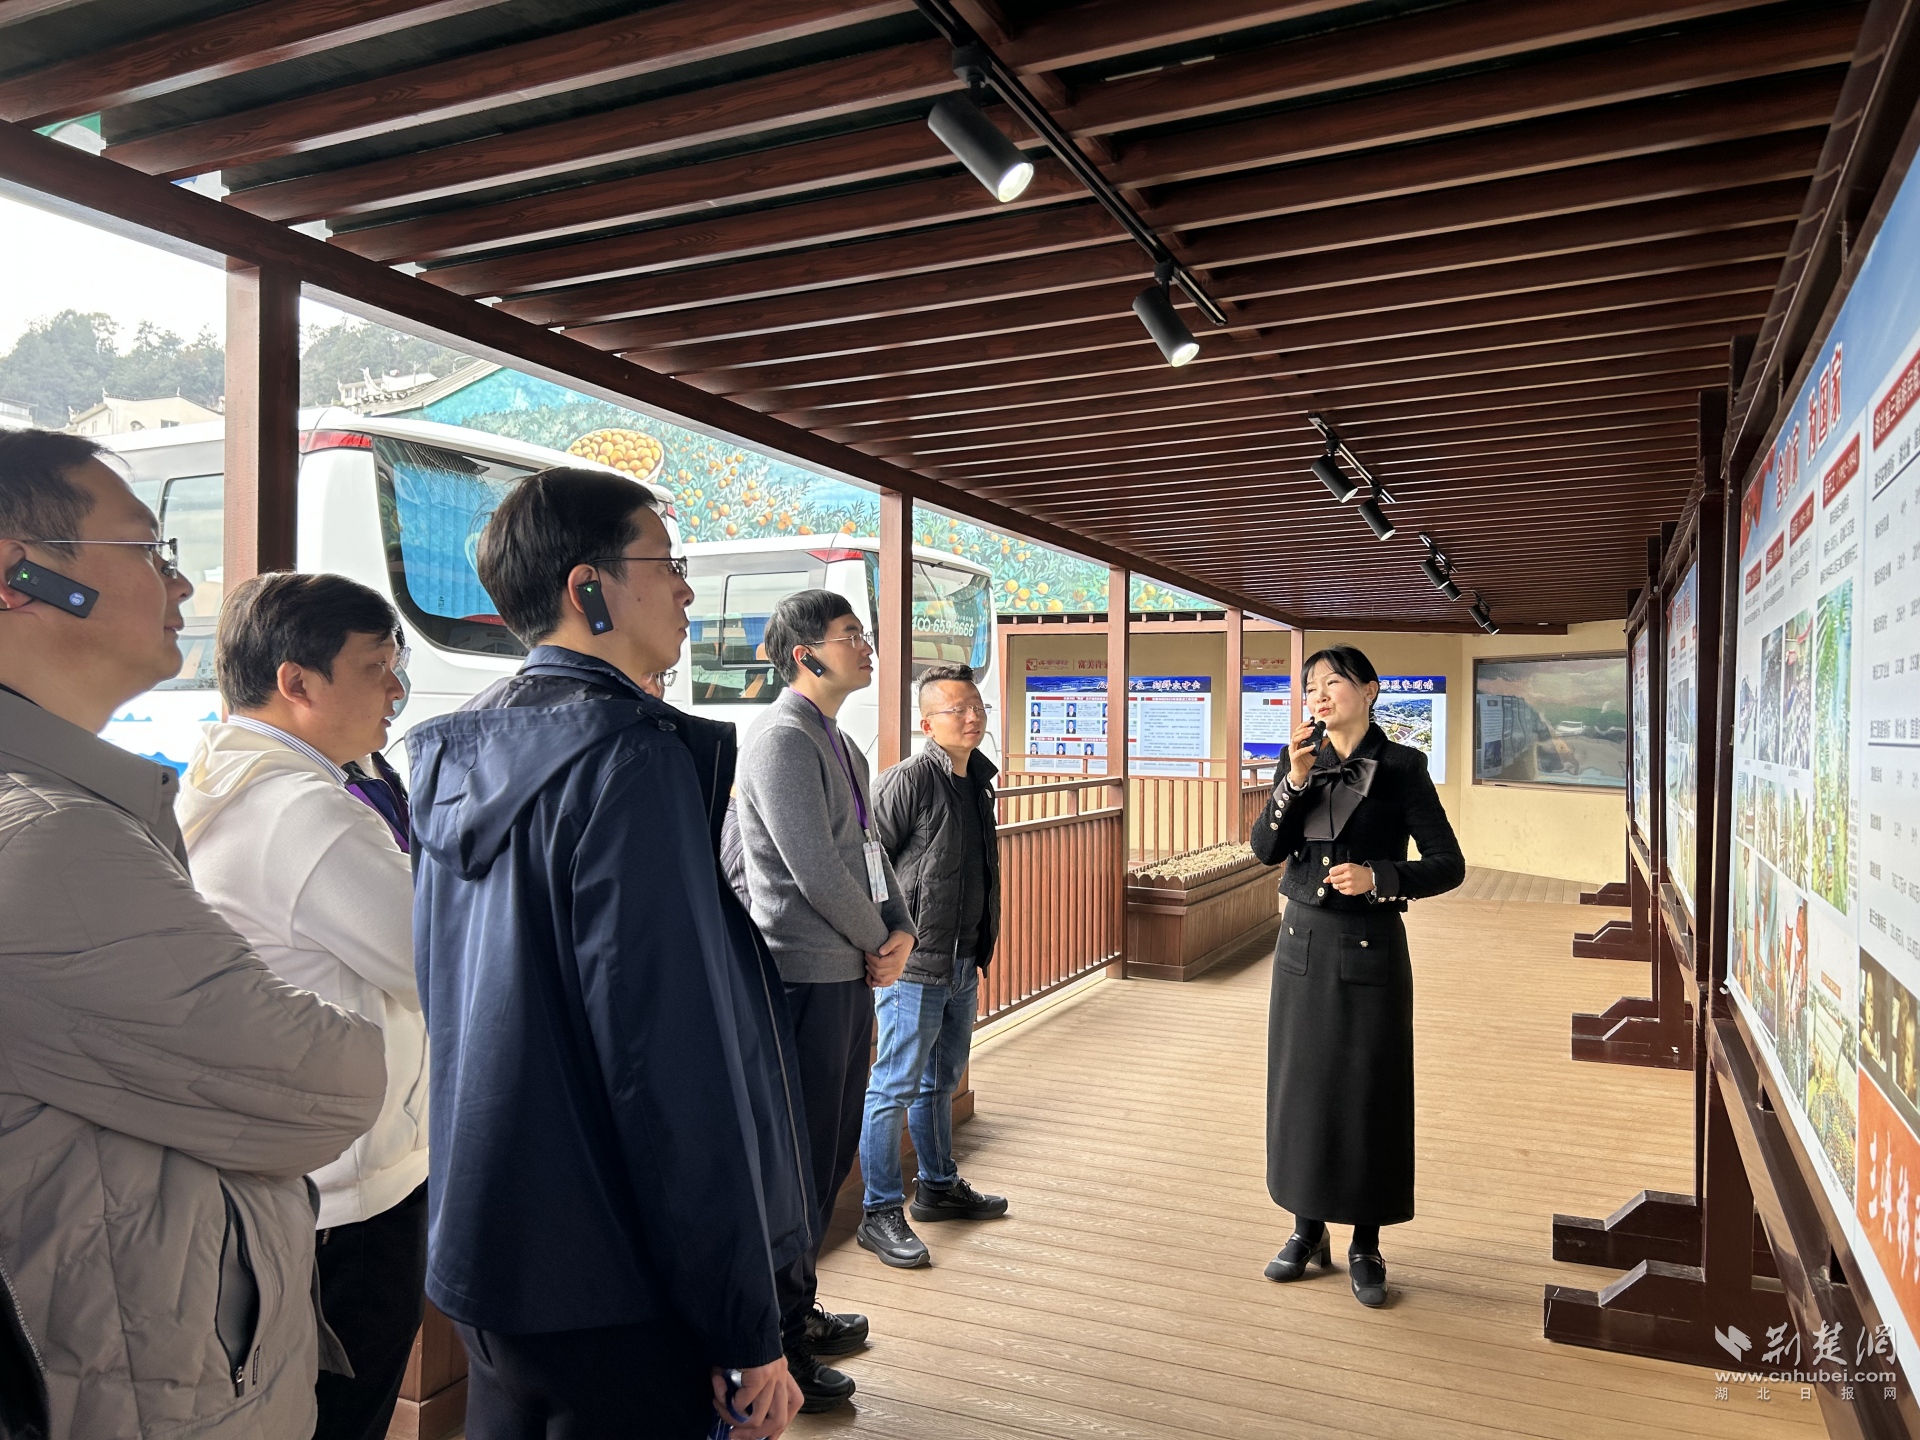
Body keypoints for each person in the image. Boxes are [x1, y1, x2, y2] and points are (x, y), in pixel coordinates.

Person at [405, 467, 809, 1440]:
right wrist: (746, 1323)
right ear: (589, 588)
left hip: (486, 1250)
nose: (685, 588)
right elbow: (671, 1069)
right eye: (665, 562)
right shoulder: (629, 760)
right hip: (615, 1275)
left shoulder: (459, 752)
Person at [0, 430, 386, 1437]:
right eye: (149, 549)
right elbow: (330, 1082)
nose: (182, 584)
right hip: (140, 1385)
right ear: (19, 575)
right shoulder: (50, 839)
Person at [175, 571, 426, 1440]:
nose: (395, 689)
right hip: (345, 1196)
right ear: (297, 681)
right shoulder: (300, 812)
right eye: (376, 667)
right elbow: (435, 961)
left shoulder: (241, 777)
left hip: (301, 1174)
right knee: (344, 1415)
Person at [734, 590, 915, 1412]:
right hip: (802, 977)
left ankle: (798, 1309)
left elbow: (869, 853)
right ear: (805, 654)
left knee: (830, 1151)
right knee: (796, 1164)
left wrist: (901, 928)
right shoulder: (780, 738)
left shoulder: (838, 741)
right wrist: (880, 941)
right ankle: (776, 1339)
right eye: (850, 635)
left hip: (845, 972)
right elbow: (811, 868)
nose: (866, 646)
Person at [1250, 644, 1464, 1308]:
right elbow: (1265, 849)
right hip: (1300, 948)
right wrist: (1292, 781)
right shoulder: (1301, 762)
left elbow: (1449, 864)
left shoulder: (1402, 768)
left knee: (1369, 1092)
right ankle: (1306, 1230)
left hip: (1370, 949)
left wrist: (1381, 877)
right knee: (1303, 1090)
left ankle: (1366, 1243)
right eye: (1310, 685)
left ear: (1369, 690)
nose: (1319, 695)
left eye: (1333, 682)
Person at [858, 663, 1009, 1269]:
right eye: (956, 709)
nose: (972, 717)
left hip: (962, 959)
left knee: (940, 1082)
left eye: (977, 707)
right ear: (927, 723)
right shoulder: (909, 781)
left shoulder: (977, 779)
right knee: (892, 1086)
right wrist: (883, 939)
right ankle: (878, 1210)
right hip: (913, 967)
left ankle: (938, 1187)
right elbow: (868, 863)